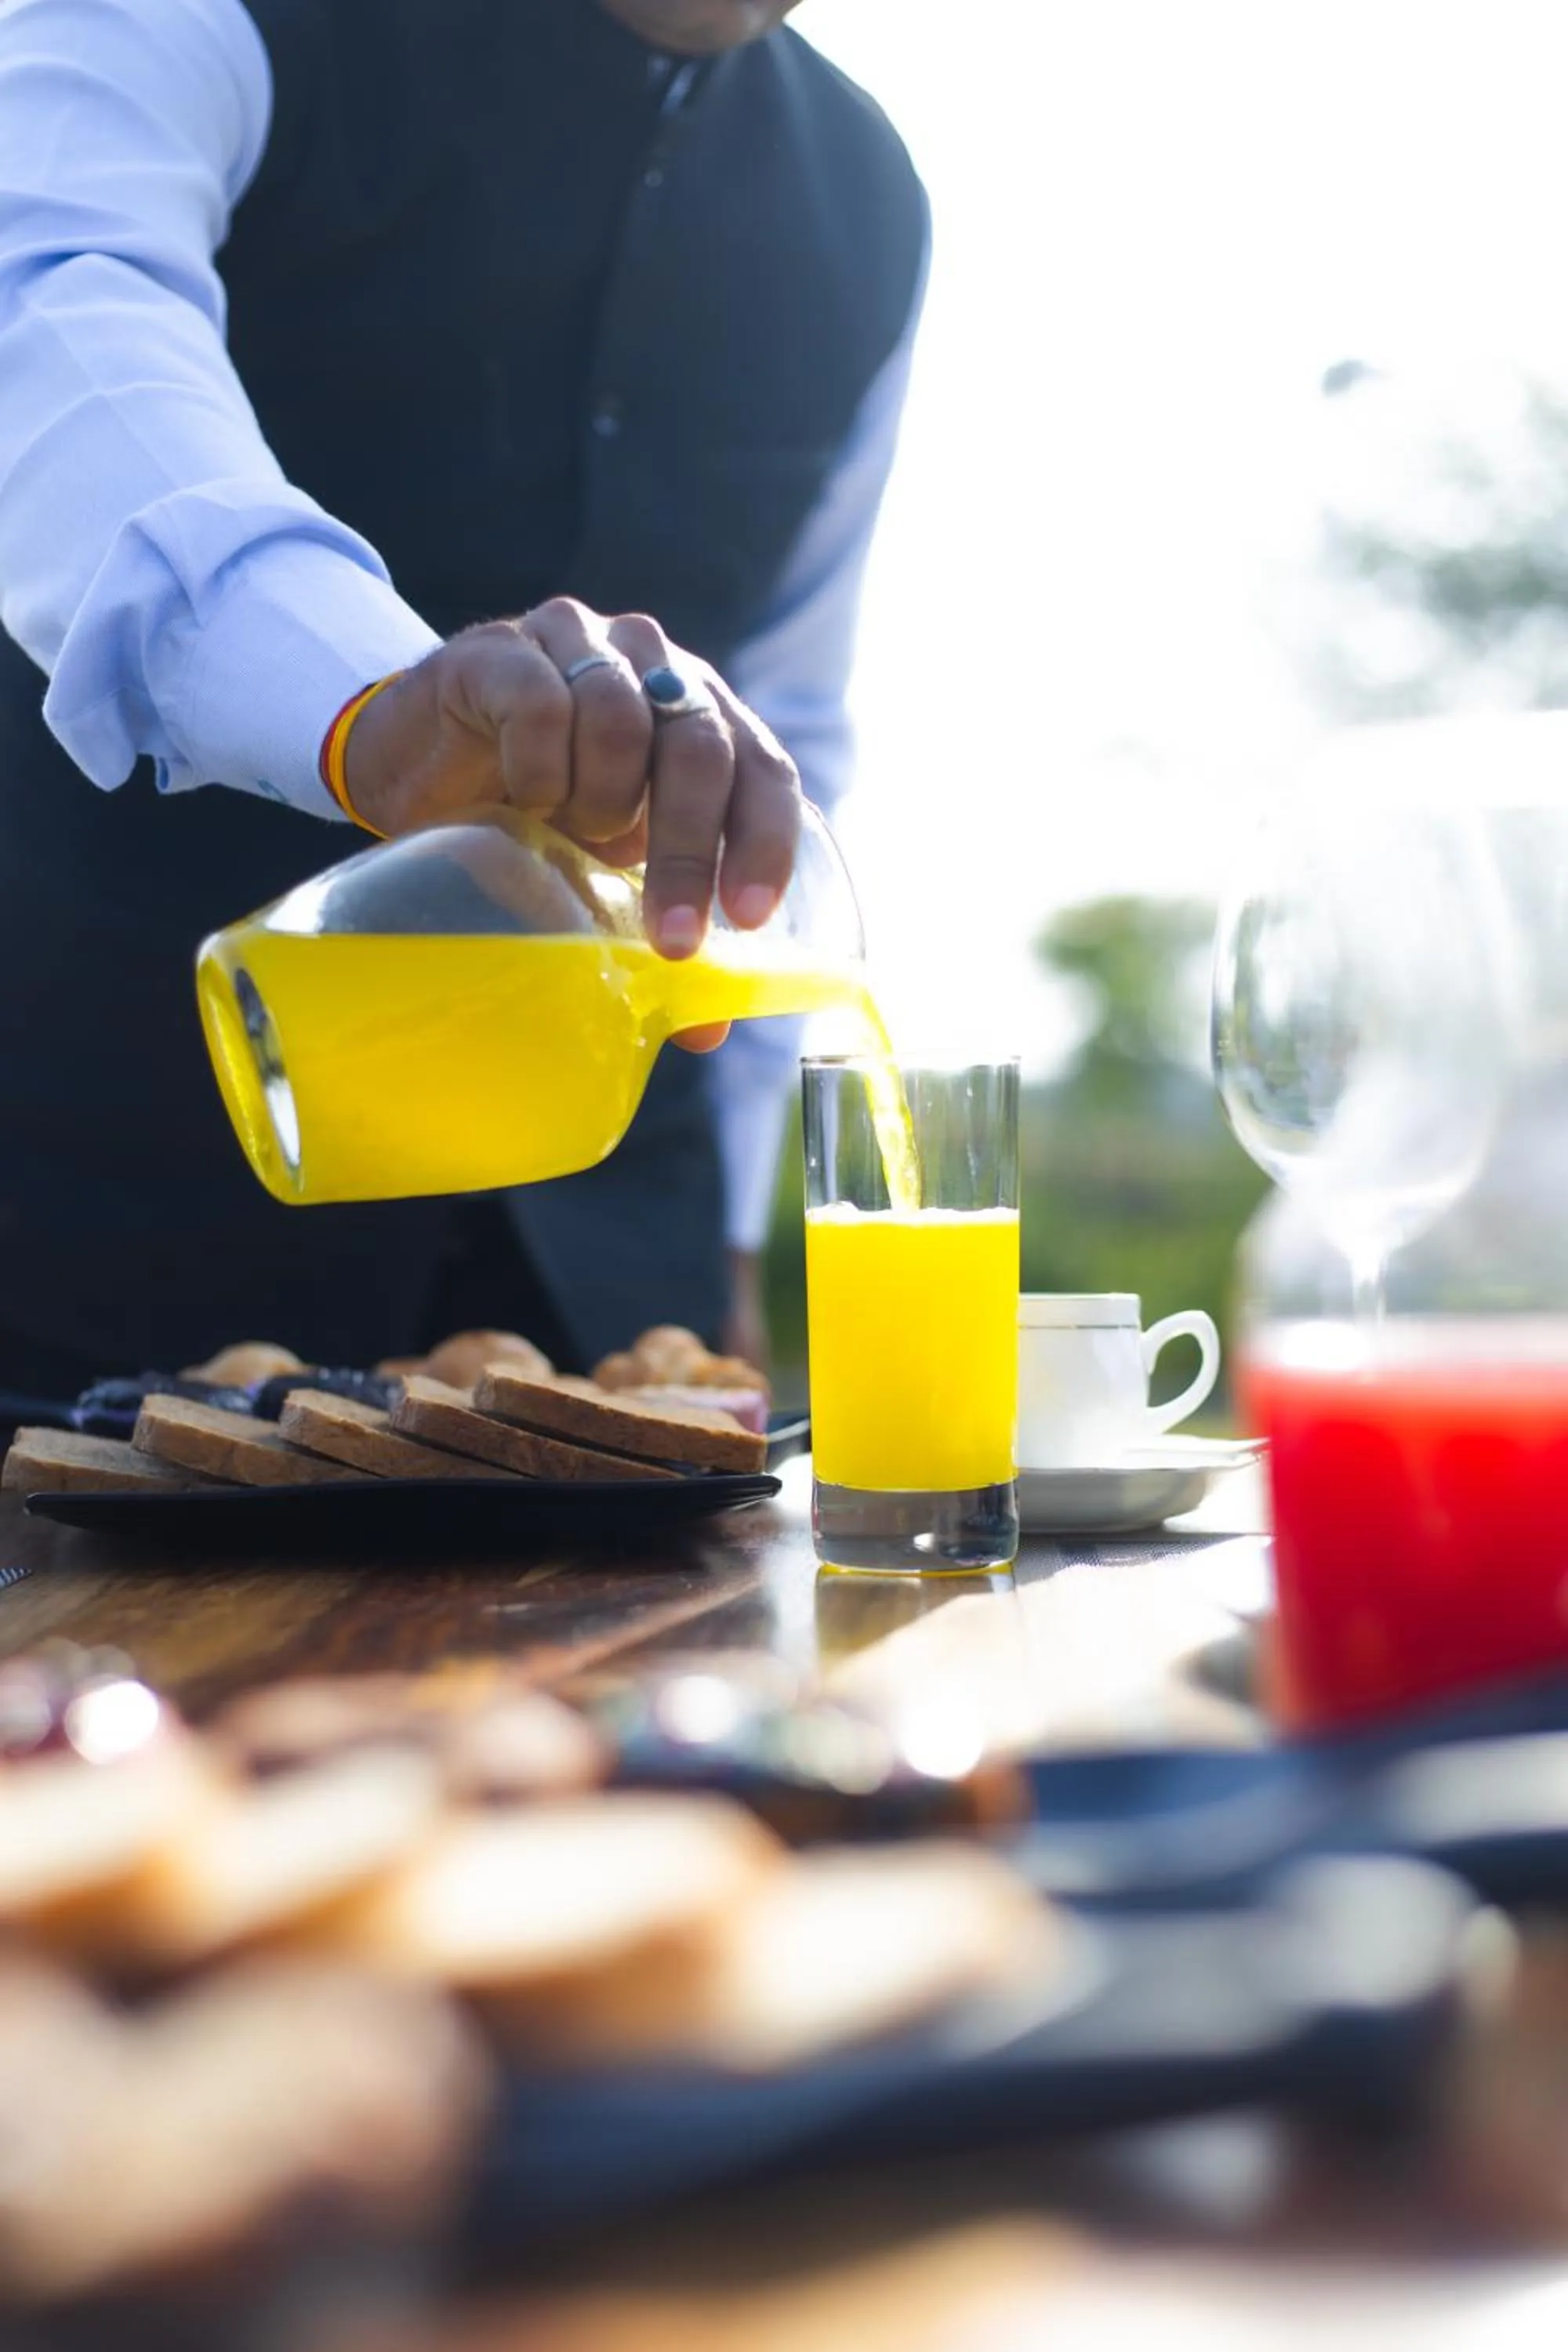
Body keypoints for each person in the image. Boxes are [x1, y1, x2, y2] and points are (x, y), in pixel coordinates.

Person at [0, 0, 927, 1390]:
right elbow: (55, 315)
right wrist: (367, 703)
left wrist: (728, 1235)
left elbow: (795, 723)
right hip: (111, 1223)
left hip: (611, 1288)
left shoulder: (868, 200)